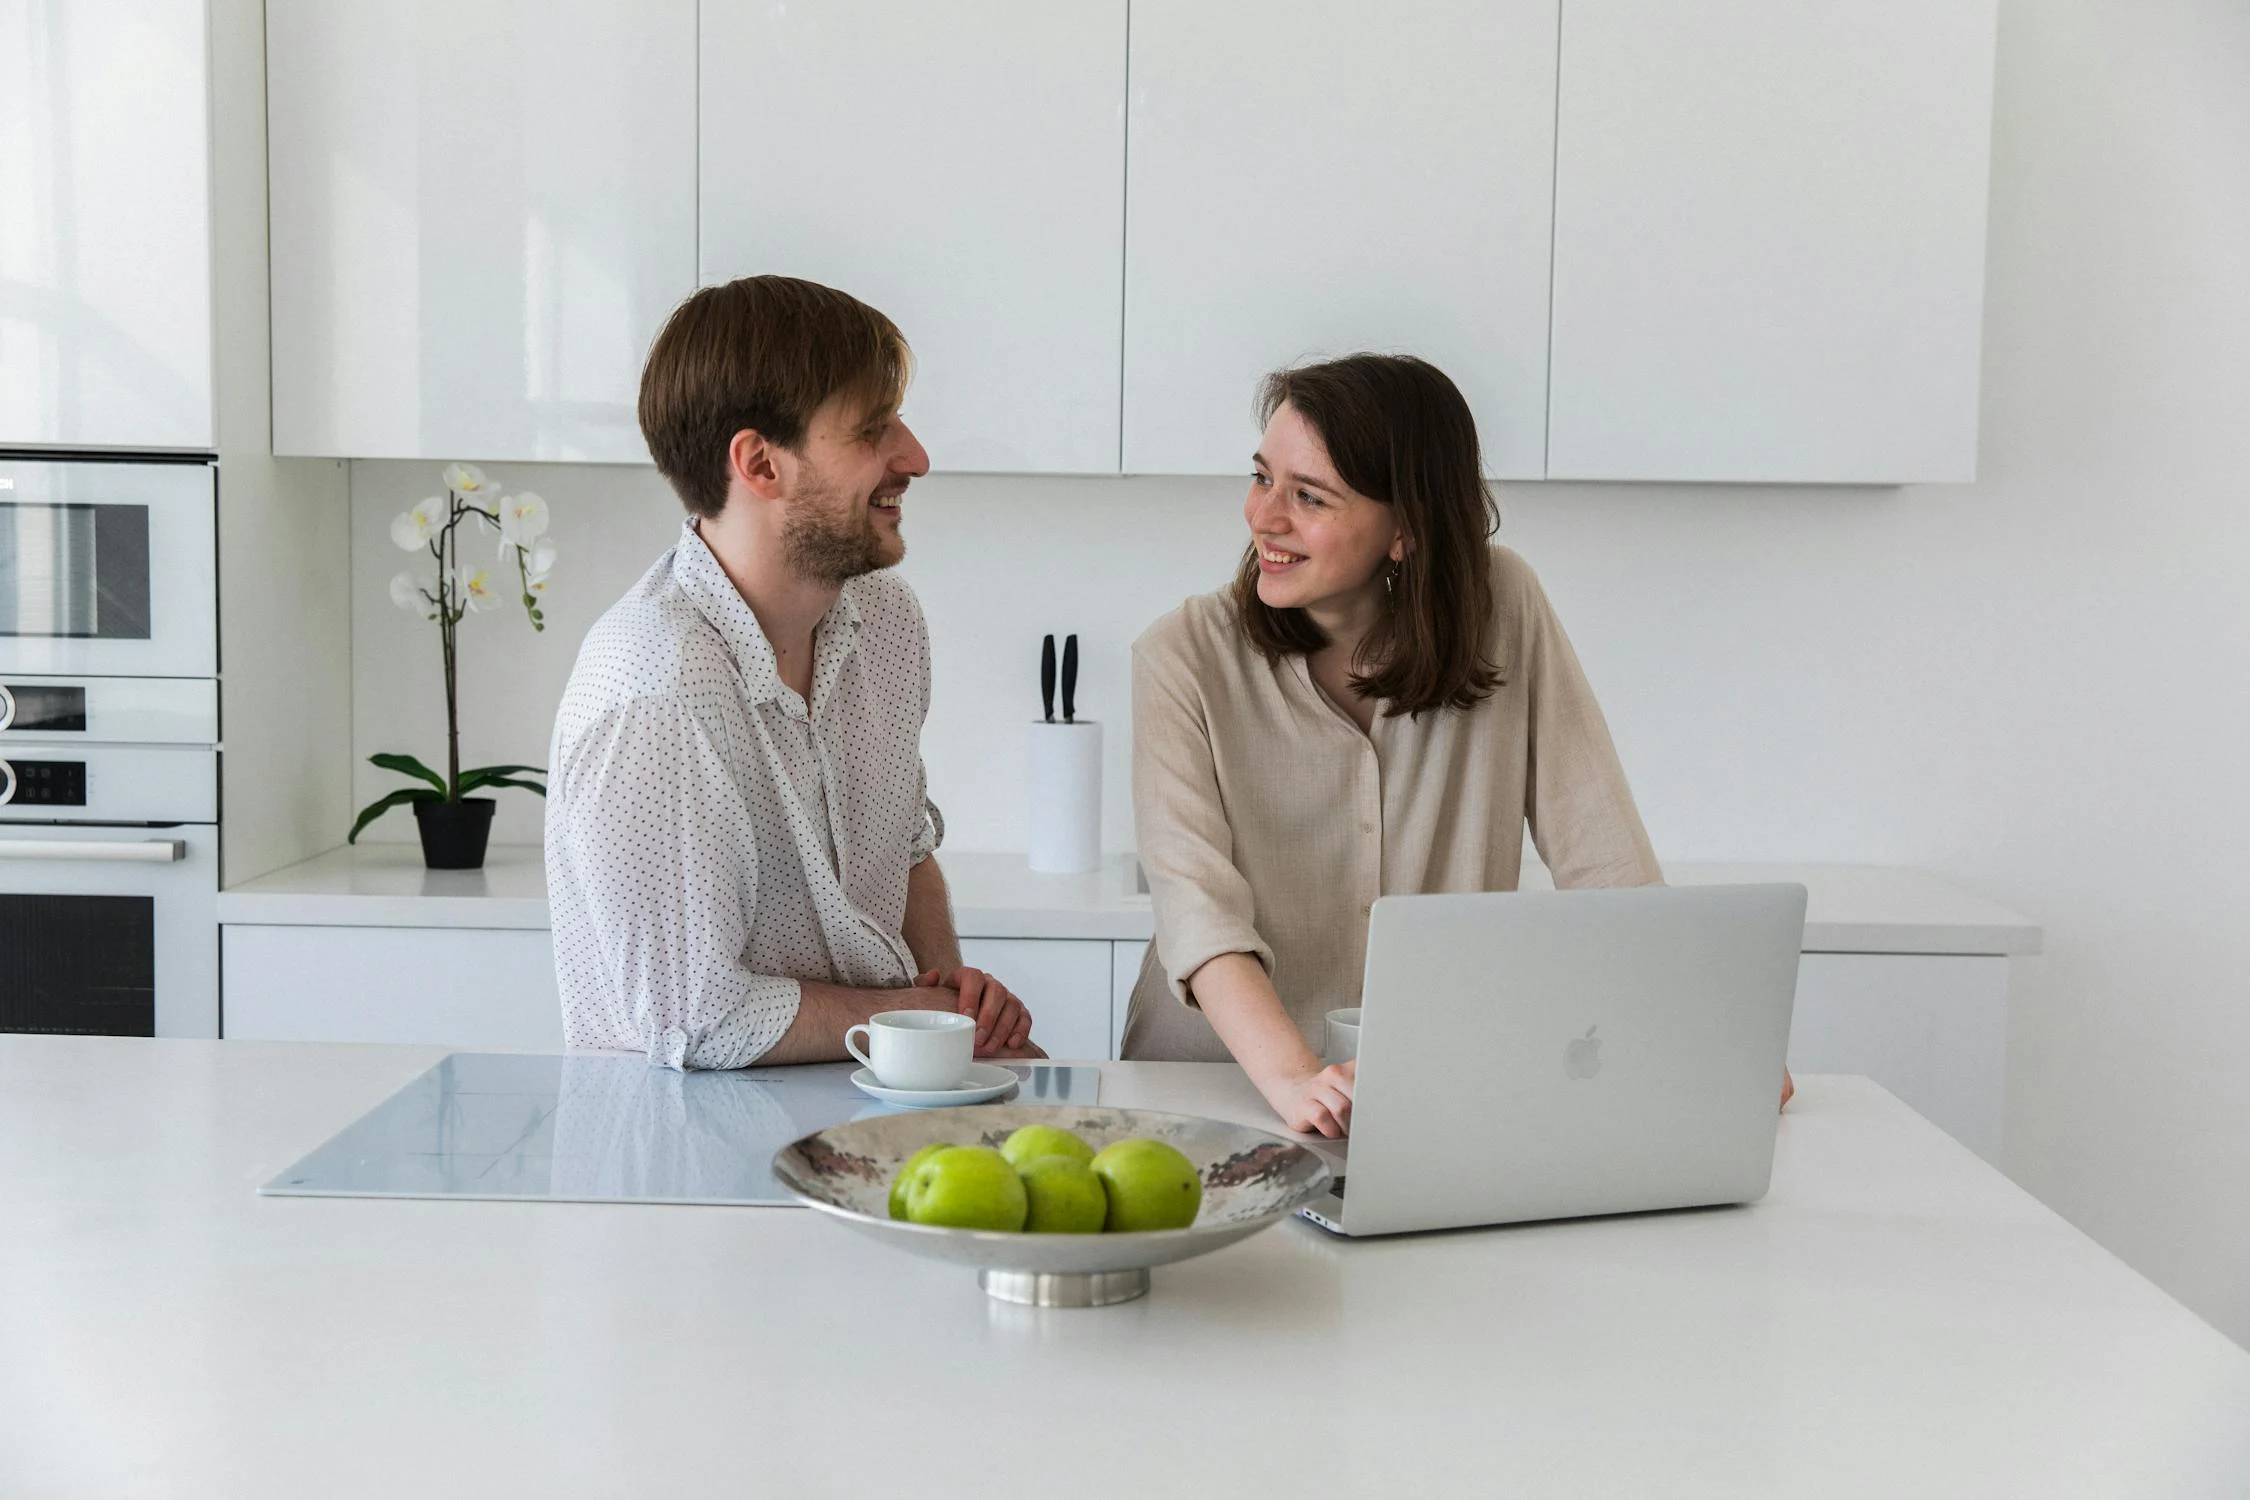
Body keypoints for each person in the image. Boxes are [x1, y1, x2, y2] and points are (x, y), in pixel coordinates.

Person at [1123, 353, 1790, 1135]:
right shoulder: (1180, 657)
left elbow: (1602, 855)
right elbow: (1198, 914)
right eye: (1262, 477)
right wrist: (1298, 1080)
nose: (1263, 517)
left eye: (1309, 497)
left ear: (1405, 528)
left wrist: (1706, 1030)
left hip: (1420, 1087)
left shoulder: (1504, 607)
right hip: (1213, 1090)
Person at [547, 275, 1040, 1069]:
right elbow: (696, 1021)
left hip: (870, 1106)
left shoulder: (885, 620)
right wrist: (920, 1014)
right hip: (692, 1158)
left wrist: (952, 1007)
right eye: (874, 429)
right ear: (760, 463)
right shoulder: (653, 693)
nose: (914, 456)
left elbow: (905, 852)